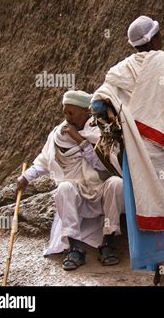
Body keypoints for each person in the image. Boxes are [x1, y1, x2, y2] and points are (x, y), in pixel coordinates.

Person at [91, 15, 164, 286]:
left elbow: (98, 105)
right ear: (155, 38)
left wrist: (123, 123)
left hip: (138, 158)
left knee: (151, 209)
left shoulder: (119, 71)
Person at [16, 90, 125, 270]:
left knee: (116, 183)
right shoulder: (58, 135)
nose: (66, 117)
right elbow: (44, 160)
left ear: (86, 112)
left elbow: (105, 165)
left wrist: (81, 141)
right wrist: (25, 177)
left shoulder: (101, 131)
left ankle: (108, 243)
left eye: (71, 113)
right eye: (65, 112)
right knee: (64, 188)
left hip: (100, 191)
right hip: (77, 193)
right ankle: (75, 248)